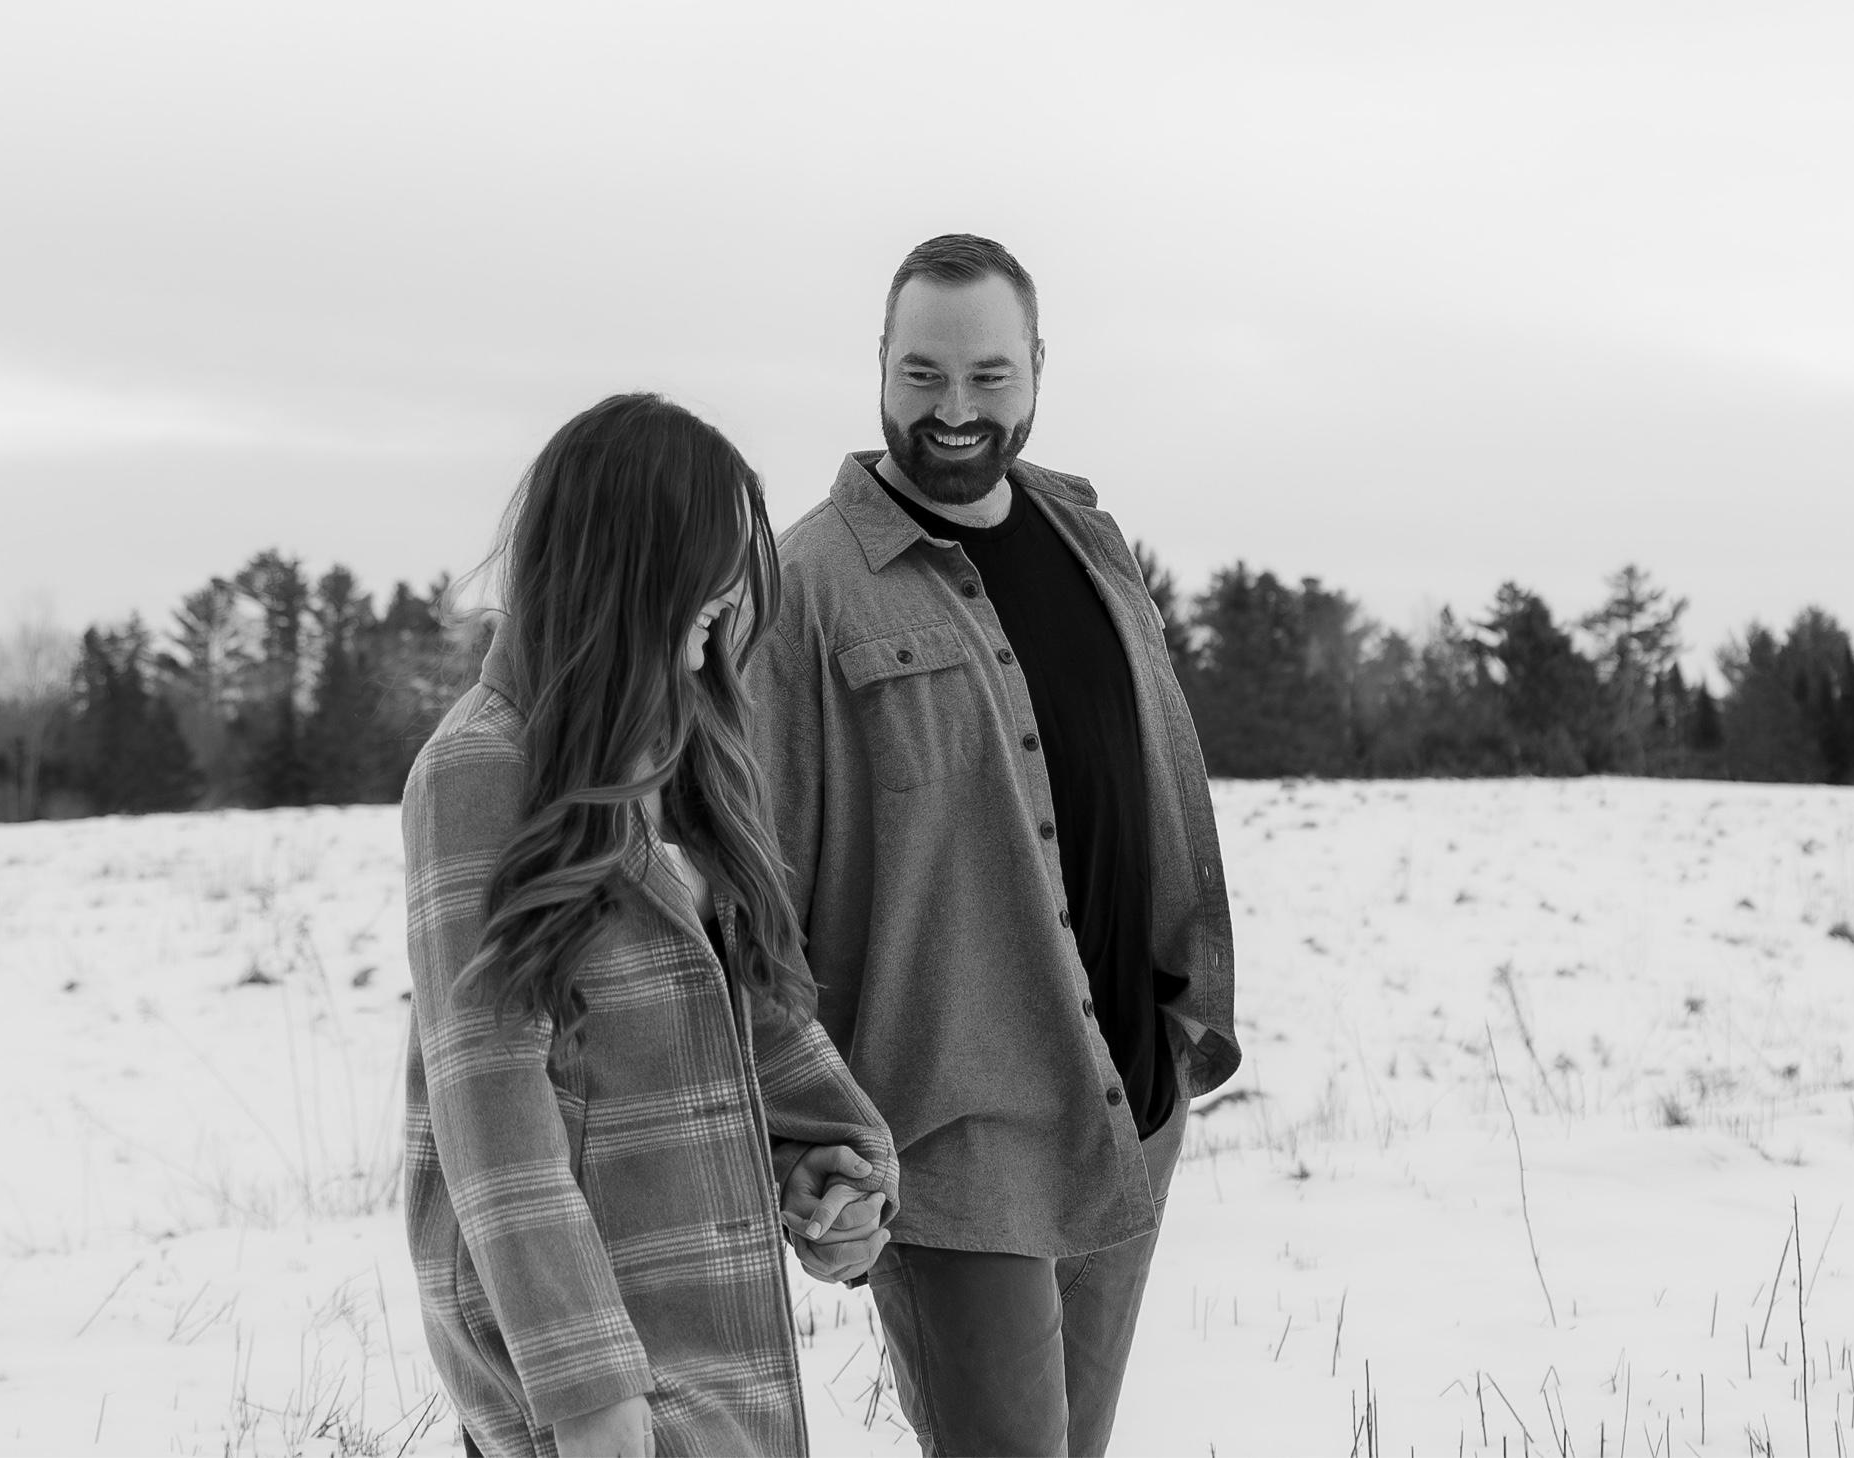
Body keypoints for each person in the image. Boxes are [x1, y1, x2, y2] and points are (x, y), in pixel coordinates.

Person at [748, 235, 1241, 1457]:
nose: (955, 410)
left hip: (1125, 1102)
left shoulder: (1085, 536)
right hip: (951, 1141)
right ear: (879, 363)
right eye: (922, 375)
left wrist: (1178, 1021)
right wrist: (810, 1137)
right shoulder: (808, 585)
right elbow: (757, 900)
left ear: (1036, 368)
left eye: (987, 375)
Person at [402, 392, 900, 1458]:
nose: (734, 589)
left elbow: (741, 1017)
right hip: (592, 1378)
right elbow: (488, 1093)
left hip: (714, 1344)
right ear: (631, 562)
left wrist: (824, 1163)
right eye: (712, 555)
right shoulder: (479, 768)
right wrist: (585, 1384)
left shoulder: (683, 753)